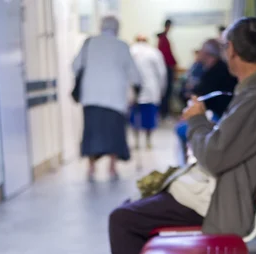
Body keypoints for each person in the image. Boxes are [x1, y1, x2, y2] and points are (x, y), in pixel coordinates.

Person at [108, 16, 256, 254]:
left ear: (232, 51)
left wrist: (196, 120)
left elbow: (213, 157)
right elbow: (227, 145)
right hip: (223, 189)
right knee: (129, 210)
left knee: (122, 220)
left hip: (221, 200)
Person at [72, 15, 141, 181]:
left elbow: (75, 66)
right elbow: (133, 72)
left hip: (91, 96)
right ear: (117, 28)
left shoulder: (89, 43)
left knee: (92, 132)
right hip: (115, 97)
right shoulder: (122, 45)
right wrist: (137, 87)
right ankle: (112, 166)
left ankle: (91, 167)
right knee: (114, 132)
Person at [175, 38, 237, 160]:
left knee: (182, 129)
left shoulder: (217, 70)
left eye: (201, 50)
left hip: (220, 116)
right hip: (216, 113)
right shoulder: (209, 68)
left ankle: (189, 162)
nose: (199, 52)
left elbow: (198, 95)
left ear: (208, 53)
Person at [130, 35, 167, 149]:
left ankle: (136, 142)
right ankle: (148, 141)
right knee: (149, 118)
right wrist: (161, 90)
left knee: (135, 117)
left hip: (133, 91)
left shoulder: (130, 51)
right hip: (151, 91)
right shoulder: (154, 52)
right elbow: (162, 73)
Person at [157, 19, 177, 118]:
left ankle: (165, 112)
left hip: (167, 67)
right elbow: (166, 55)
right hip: (166, 68)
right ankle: (164, 113)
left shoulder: (164, 38)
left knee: (167, 91)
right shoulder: (163, 39)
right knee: (166, 91)